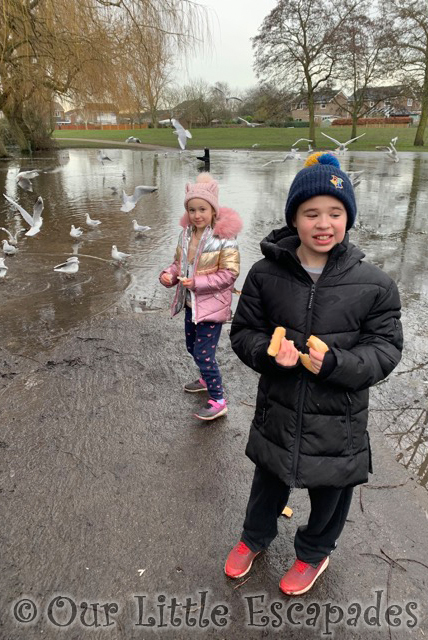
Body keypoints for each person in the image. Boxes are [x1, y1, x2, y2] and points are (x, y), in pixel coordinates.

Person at [224, 152, 403, 595]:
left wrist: (337, 364)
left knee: (331, 493)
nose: (324, 223)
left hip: (339, 418)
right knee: (268, 479)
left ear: (348, 218)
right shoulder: (265, 274)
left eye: (335, 213)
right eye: (311, 213)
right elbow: (244, 331)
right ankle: (254, 538)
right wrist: (268, 354)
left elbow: (385, 349)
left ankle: (314, 553)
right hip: (279, 412)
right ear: (294, 218)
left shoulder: (375, 284)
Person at [159, 172, 242, 421]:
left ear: (213, 210)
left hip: (211, 306)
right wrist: (169, 275)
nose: (197, 215)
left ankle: (218, 399)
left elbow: (229, 274)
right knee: (191, 347)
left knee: (204, 354)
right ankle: (206, 379)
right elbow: (179, 263)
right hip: (190, 303)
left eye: (202, 209)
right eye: (192, 210)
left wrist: (197, 283)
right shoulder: (185, 235)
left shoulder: (223, 239)